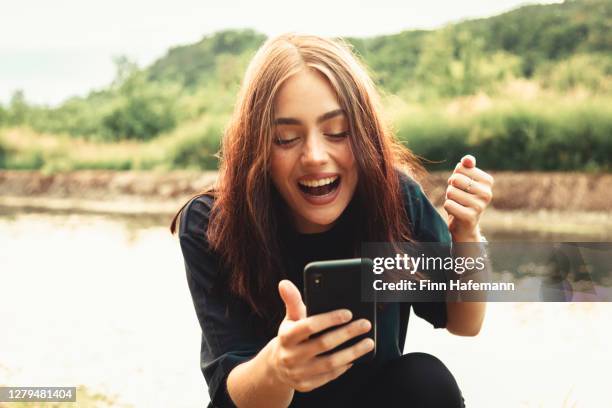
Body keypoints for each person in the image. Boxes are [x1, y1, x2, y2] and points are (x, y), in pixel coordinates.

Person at [171, 33, 494, 408]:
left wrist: (467, 233)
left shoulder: (395, 197)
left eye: (337, 132)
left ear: (365, 133)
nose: (314, 156)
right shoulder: (212, 222)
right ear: (257, 146)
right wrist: (279, 367)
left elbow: (465, 323)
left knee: (426, 379)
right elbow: (231, 391)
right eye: (286, 138)